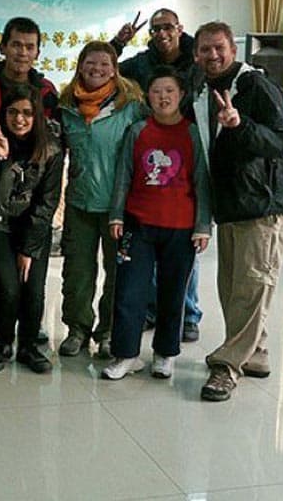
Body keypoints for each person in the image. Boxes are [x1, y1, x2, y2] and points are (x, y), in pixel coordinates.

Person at [191, 22, 283, 402]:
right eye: (205, 49)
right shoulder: (203, 89)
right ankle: (256, 352)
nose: (213, 55)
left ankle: (228, 366)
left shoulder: (255, 85)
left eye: (219, 47)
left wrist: (240, 125)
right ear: (196, 55)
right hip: (232, 204)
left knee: (252, 286)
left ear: (233, 50)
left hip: (263, 205)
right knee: (233, 287)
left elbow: (281, 142)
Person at [102, 66, 211, 380]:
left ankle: (165, 353)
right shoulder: (138, 131)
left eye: (170, 91)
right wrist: (117, 214)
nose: (163, 97)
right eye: (156, 91)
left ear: (181, 95)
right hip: (138, 225)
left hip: (181, 227)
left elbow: (202, 181)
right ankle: (126, 355)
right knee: (129, 292)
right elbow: (124, 175)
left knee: (173, 293)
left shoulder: (193, 133)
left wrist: (203, 225)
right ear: (147, 96)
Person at [0, 16, 59, 357]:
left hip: (30, 198)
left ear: (37, 52)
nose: (22, 52)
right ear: (3, 46)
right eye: (16, 44)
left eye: (29, 46)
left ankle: (28, 331)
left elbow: (48, 152)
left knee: (29, 280)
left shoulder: (46, 91)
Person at [111, 8, 204, 342]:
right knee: (148, 250)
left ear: (179, 28)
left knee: (183, 253)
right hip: (153, 147)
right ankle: (151, 311)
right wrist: (118, 43)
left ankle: (187, 315)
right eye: (155, 29)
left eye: (167, 27)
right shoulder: (141, 62)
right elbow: (109, 72)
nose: (161, 34)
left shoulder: (197, 60)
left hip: (188, 142)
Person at [57, 41, 145, 359]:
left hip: (118, 207)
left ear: (114, 69)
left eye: (104, 64)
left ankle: (109, 331)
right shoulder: (66, 106)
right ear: (80, 66)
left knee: (118, 273)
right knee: (77, 271)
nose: (97, 69)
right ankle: (77, 329)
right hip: (79, 203)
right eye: (90, 63)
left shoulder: (131, 105)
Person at [0, 85, 63, 373]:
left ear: (36, 115)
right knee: (8, 288)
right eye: (13, 112)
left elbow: (47, 202)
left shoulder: (51, 147)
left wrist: (28, 249)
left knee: (34, 290)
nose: (19, 119)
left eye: (27, 113)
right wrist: (2, 159)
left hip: (34, 226)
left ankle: (28, 346)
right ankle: (3, 343)